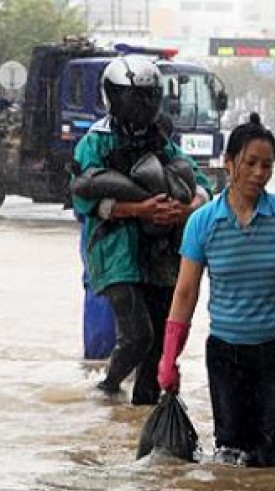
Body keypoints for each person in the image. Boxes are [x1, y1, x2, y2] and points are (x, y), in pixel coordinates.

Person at [156, 112, 275, 468]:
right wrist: (169, 356)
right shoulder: (202, 222)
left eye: (267, 165)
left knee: (272, 456)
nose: (259, 173)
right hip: (227, 356)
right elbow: (185, 293)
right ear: (229, 163)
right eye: (250, 163)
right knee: (232, 453)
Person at [72, 53, 210, 405]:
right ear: (114, 96)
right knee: (138, 336)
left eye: (148, 96)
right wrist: (139, 209)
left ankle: (145, 419)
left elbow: (201, 183)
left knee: (160, 342)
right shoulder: (95, 142)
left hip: (159, 254)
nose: (142, 105)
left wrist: (184, 209)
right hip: (115, 250)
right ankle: (107, 388)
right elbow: (84, 200)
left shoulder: (162, 142)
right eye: (134, 97)